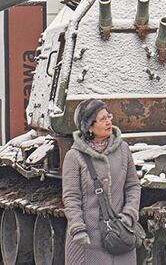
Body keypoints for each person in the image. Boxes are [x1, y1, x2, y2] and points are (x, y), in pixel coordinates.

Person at [61, 99, 142, 265]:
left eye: (108, 116)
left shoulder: (123, 149)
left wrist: (129, 214)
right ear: (90, 126)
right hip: (87, 241)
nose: (108, 121)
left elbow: (133, 186)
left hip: (120, 237)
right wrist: (77, 227)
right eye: (102, 118)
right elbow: (71, 197)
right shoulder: (74, 156)